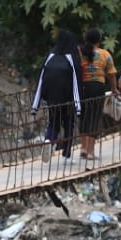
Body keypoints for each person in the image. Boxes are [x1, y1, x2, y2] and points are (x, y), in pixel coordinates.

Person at [31, 30, 82, 163]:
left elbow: (41, 78)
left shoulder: (51, 55)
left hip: (52, 98)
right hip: (68, 99)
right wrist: (78, 106)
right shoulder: (72, 56)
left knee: (53, 122)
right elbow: (76, 80)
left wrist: (35, 105)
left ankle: (49, 140)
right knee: (68, 124)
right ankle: (66, 155)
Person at [77, 28, 117, 168]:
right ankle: (90, 152)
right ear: (99, 41)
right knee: (94, 116)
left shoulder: (79, 52)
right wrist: (114, 88)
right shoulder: (105, 54)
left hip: (82, 88)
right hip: (97, 87)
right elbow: (111, 73)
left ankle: (82, 147)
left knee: (83, 115)